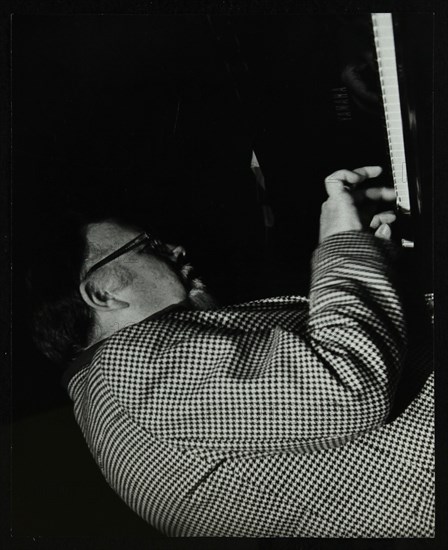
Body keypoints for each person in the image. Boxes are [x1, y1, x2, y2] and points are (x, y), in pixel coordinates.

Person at [30, 166, 434, 537]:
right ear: (103, 292)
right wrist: (341, 242)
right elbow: (347, 383)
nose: (176, 248)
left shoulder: (117, 399)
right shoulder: (125, 370)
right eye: (148, 245)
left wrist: (373, 262)